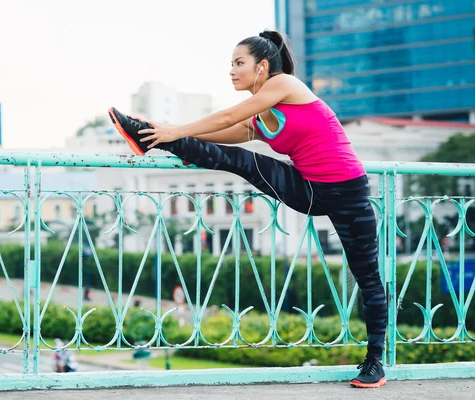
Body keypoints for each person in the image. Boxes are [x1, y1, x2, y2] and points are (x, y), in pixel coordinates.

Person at [107, 30, 387, 389]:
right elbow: (224, 134)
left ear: (263, 67)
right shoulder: (261, 118)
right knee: (236, 160)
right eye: (231, 64)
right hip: (309, 191)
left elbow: (226, 118)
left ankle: (374, 362)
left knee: (368, 280)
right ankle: (146, 137)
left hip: (348, 192)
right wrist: (167, 135)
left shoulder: (284, 84)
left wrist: (174, 129)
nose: (232, 71)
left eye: (240, 63)